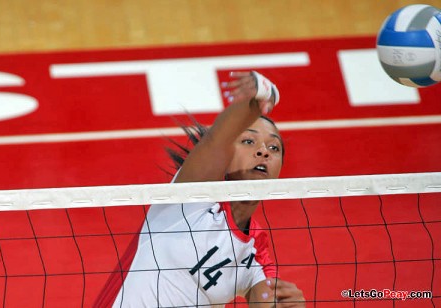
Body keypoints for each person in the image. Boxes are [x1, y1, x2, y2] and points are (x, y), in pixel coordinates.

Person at [95, 71, 305, 307]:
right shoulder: (192, 197)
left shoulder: (255, 250)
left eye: (274, 148)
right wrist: (261, 97)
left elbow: (265, 300)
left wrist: (284, 304)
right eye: (248, 141)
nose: (263, 151)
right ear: (227, 154)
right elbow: (218, 137)